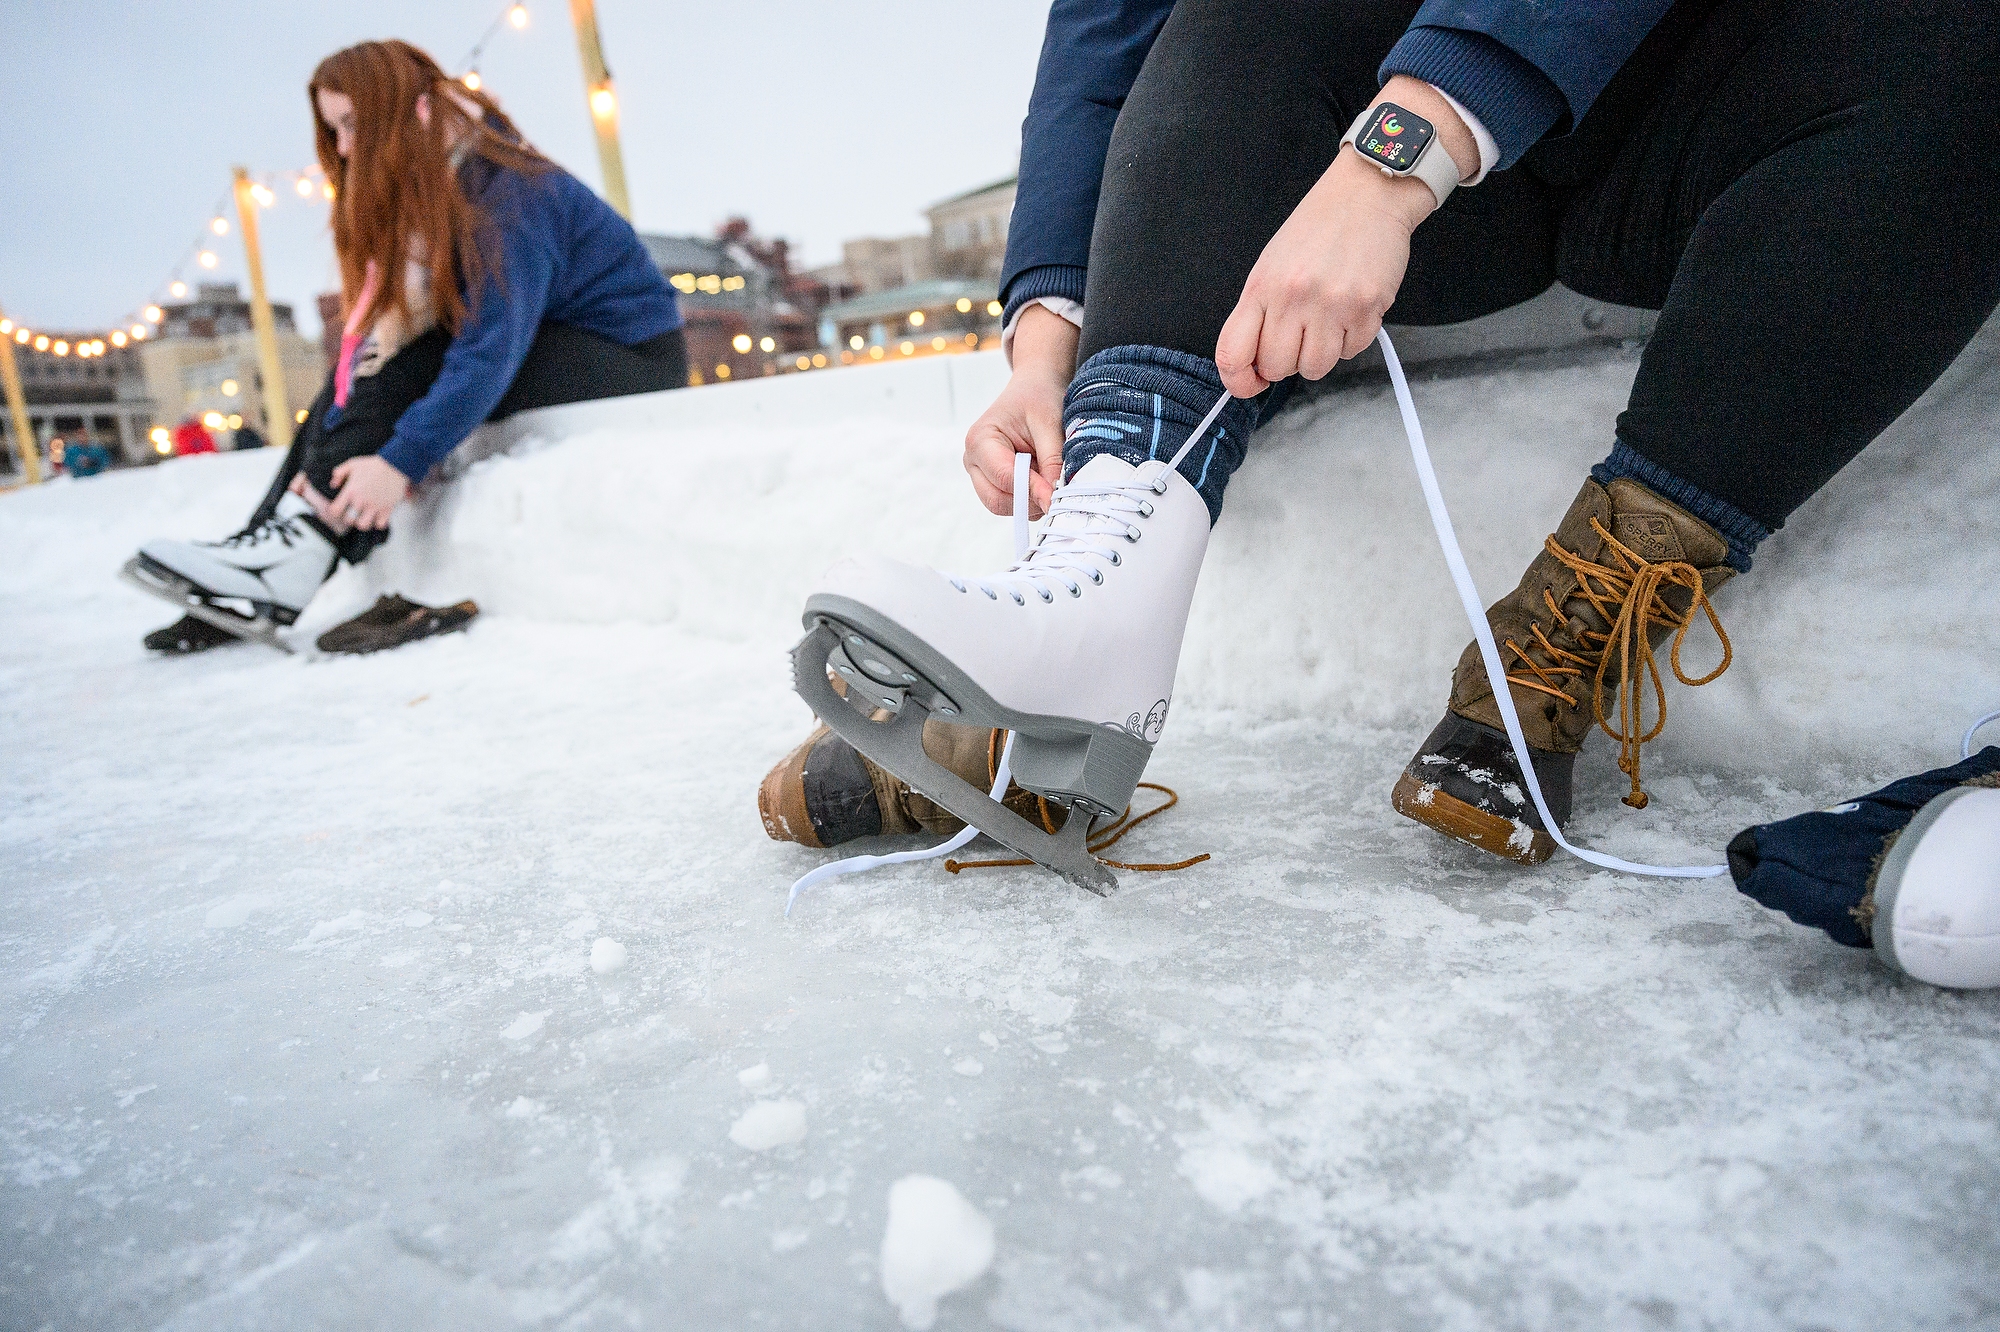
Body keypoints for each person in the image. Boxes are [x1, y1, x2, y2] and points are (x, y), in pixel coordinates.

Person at [776, 0, 2000, 870]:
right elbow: (1103, 45)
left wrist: (1394, 158)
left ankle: (1559, 645)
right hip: (1448, 188)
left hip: (1736, 118)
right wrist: (1050, 332)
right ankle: (1080, 631)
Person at [132, 39, 686, 655]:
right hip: (546, 348)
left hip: (627, 357)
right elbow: (364, 366)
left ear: (406, 111)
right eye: (332, 130)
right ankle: (265, 558)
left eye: (349, 125)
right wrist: (353, 448)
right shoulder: (446, 191)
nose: (341, 148)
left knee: (421, 360)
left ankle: (289, 558)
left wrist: (399, 462)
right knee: (352, 383)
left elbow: (488, 348)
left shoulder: (509, 195)